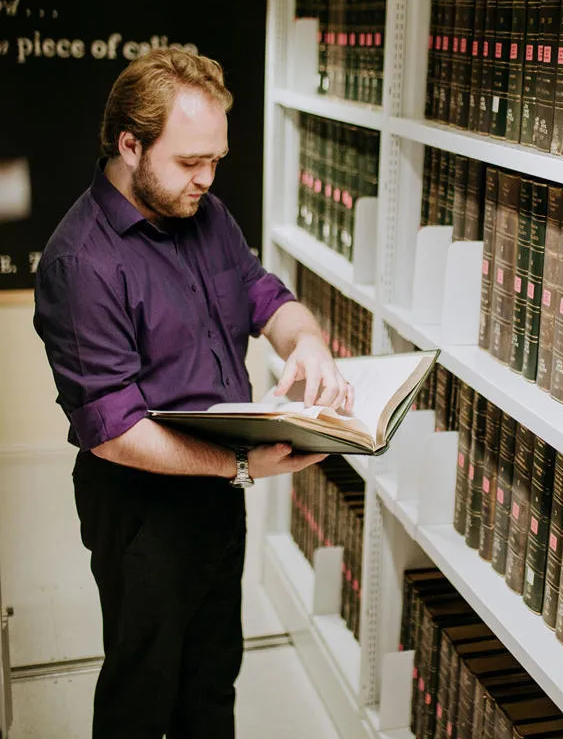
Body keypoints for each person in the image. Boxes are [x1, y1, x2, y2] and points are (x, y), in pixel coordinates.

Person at [33, 48, 353, 738]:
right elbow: (112, 428)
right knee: (143, 691)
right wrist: (239, 465)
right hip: (140, 508)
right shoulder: (80, 261)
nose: (207, 179)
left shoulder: (204, 211)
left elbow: (266, 297)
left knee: (212, 679)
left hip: (217, 491)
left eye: (216, 160)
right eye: (189, 161)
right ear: (129, 144)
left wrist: (309, 341)